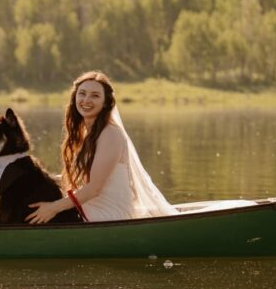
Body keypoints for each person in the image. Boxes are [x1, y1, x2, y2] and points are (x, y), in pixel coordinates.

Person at [26, 71, 177, 224]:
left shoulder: (110, 134)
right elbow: (78, 181)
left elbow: (94, 188)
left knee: (52, 212)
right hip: (87, 208)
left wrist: (53, 208)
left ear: (105, 102)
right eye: (82, 93)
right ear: (75, 97)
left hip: (108, 214)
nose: (86, 100)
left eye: (95, 96)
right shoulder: (87, 135)